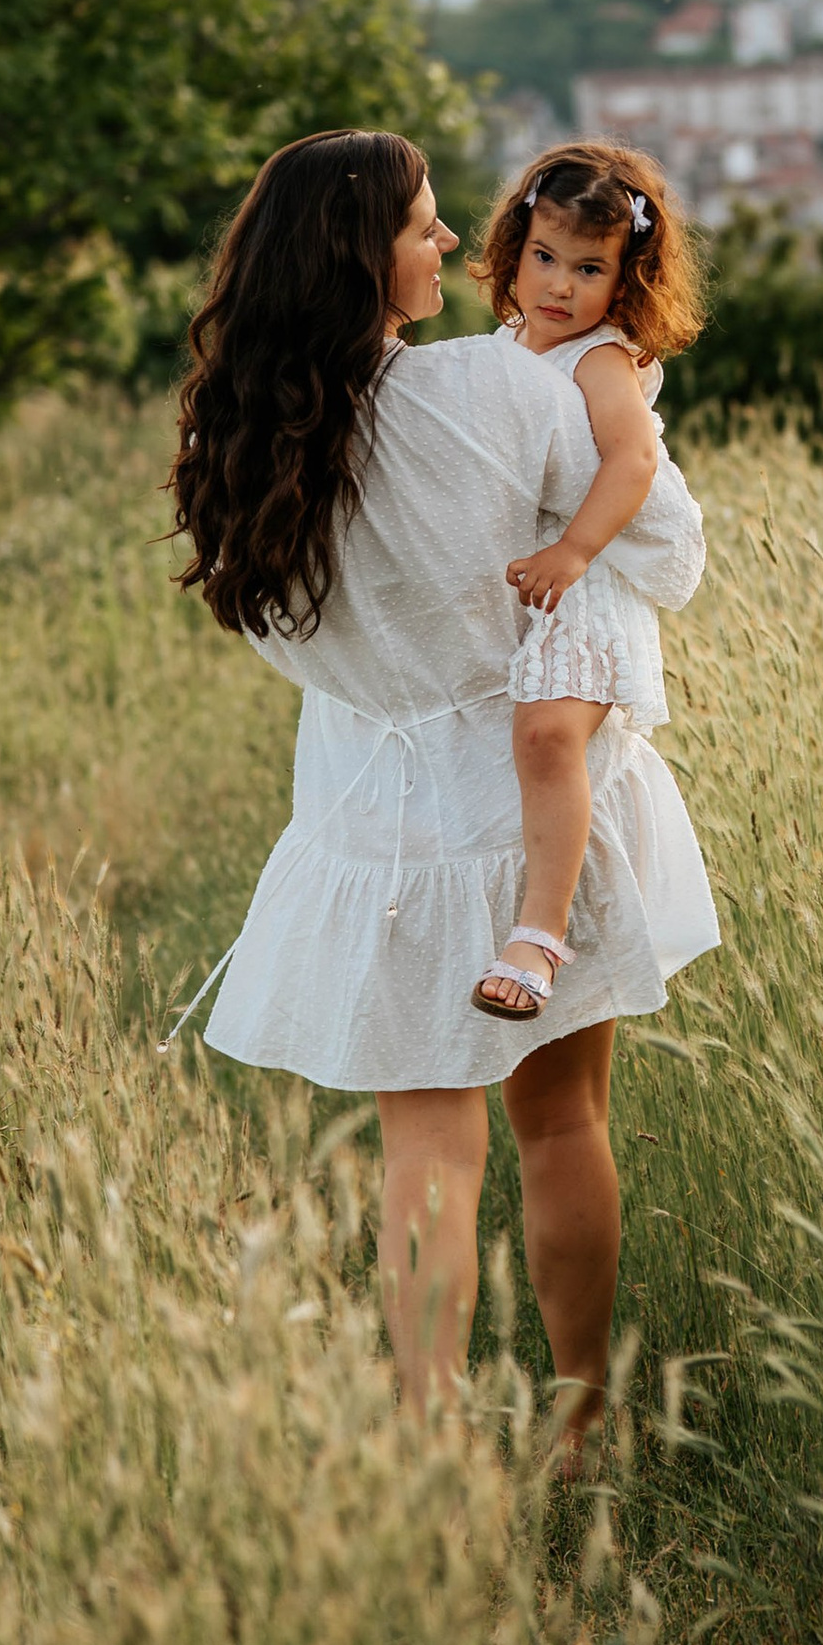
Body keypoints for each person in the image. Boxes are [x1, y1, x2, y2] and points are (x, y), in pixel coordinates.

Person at [167, 129, 718, 1456]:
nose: (453, 244)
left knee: (427, 1149)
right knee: (563, 1118)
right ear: (363, 253)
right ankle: (583, 1418)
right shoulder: (501, 393)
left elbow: (294, 637)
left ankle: (427, 1444)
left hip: (375, 811)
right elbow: (674, 556)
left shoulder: (246, 431)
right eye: (424, 225)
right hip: (536, 795)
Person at [464, 143, 705, 1024]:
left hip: (591, 578)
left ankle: (540, 934)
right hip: (535, 576)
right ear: (515, 251)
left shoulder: (601, 359)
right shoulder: (505, 345)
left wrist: (572, 550)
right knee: (515, 740)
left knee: (548, 736)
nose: (560, 286)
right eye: (544, 258)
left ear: (626, 280)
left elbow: (634, 461)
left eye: (589, 269)